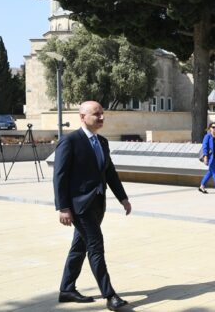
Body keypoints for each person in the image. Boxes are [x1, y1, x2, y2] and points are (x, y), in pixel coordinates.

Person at [53, 101, 131, 311]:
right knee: (96, 247)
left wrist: (123, 198)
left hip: (98, 204)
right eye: (96, 114)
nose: (101, 118)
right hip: (80, 207)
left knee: (79, 247)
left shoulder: (102, 142)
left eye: (102, 114)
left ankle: (66, 288)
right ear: (82, 117)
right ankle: (110, 295)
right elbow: (59, 177)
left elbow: (110, 173)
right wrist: (63, 208)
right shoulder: (70, 141)